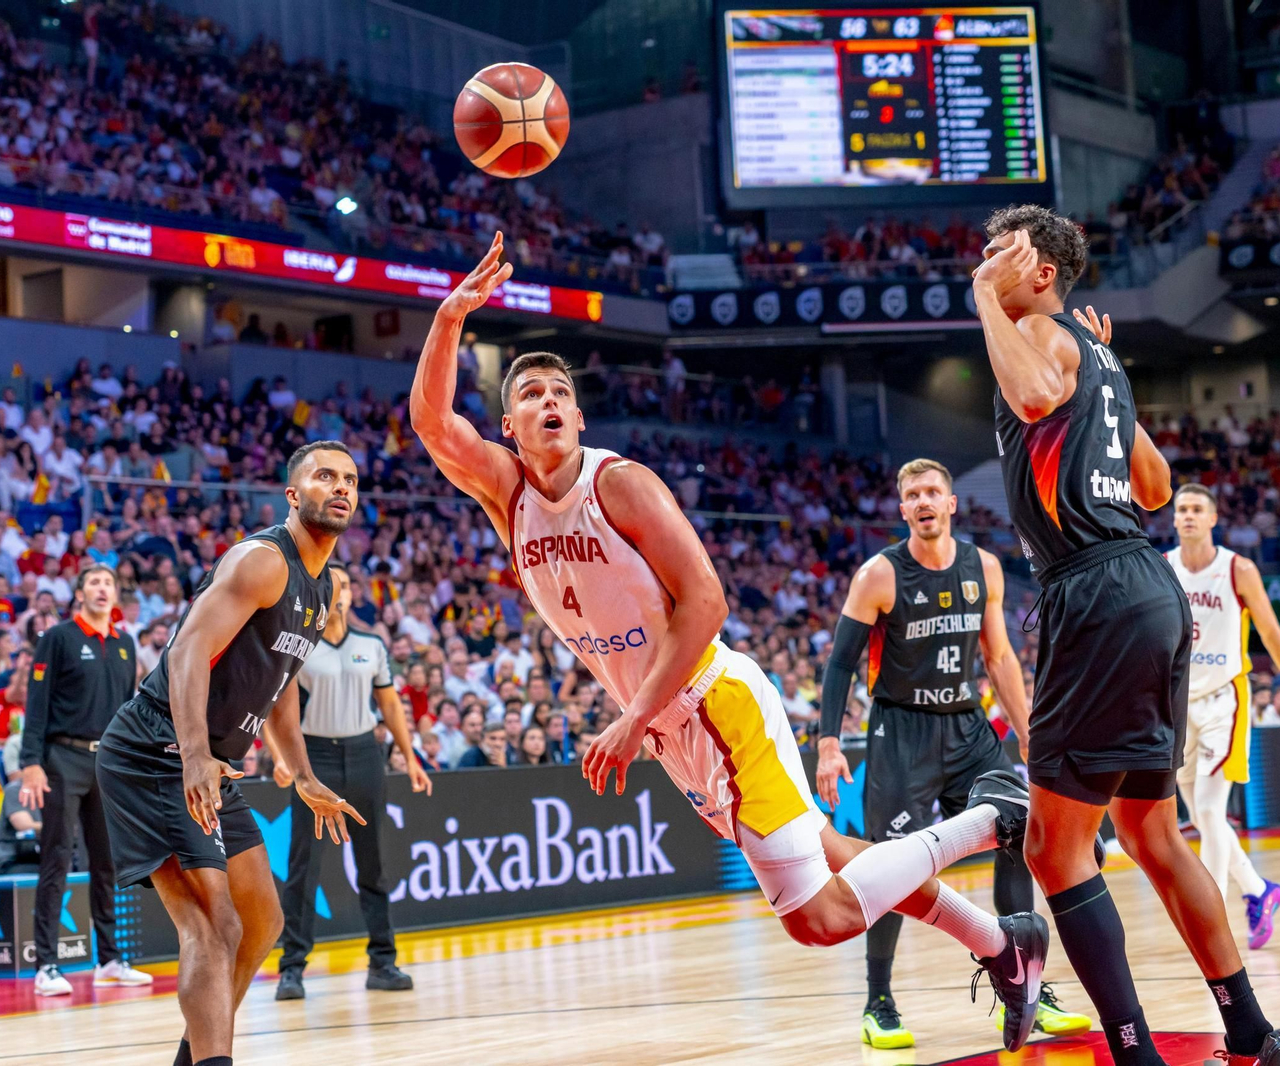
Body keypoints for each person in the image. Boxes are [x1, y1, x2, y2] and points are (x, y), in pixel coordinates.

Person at [409, 233, 1049, 1051]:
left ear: (578, 412)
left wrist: (635, 715)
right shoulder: (507, 494)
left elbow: (706, 601)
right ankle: (1005, 947)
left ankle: (993, 819)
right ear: (509, 425)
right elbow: (431, 421)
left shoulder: (619, 484)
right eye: (531, 394)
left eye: (560, 392)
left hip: (716, 703)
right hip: (679, 728)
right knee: (833, 853)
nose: (549, 403)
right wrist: (450, 317)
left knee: (818, 921)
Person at [974, 205, 1280, 1066]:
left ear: (1039, 272)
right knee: (1154, 833)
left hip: (1094, 591)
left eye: (998, 254)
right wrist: (1110, 382)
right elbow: (1155, 488)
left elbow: (1038, 394)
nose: (984, 262)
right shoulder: (1093, 355)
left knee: (1054, 847)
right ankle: (1252, 1034)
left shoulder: (1038, 337)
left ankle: (1135, 1054)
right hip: (1148, 586)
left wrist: (983, 298)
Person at [96, 441, 364, 1066]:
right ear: (294, 495)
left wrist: (301, 774)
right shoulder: (262, 561)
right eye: (325, 477)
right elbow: (189, 650)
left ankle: (195, 1059)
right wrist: (192, 754)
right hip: (155, 752)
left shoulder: (320, 589)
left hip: (206, 761)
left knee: (261, 922)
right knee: (214, 928)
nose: (342, 487)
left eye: (350, 479)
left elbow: (280, 684)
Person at [816, 458, 1091, 1050]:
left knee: (1019, 834)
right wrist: (830, 744)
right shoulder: (878, 575)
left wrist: (1026, 730)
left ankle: (1022, 986)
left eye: (932, 492)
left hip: (967, 728)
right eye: (911, 494)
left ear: (951, 503)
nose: (923, 501)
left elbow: (999, 658)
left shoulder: (982, 567)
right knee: (889, 868)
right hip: (902, 733)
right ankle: (878, 1002)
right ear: (902, 509)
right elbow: (839, 662)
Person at [1167, 485, 1280, 950]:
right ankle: (1259, 890)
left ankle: (1207, 918)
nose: (1189, 516)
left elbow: (1273, 634)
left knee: (1213, 810)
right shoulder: (1163, 567)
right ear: (1174, 520)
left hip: (1224, 701)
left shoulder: (1238, 569)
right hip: (1178, 704)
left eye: (1197, 509)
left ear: (1213, 518)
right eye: (1182, 510)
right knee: (1200, 815)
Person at [272, 564, 432, 1001]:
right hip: (315, 756)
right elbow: (275, 707)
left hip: (365, 755)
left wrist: (411, 756)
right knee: (304, 869)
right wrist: (283, 758)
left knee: (374, 864)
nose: (336, 594)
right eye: (329, 587)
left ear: (350, 595)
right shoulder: (300, 647)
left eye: (341, 587)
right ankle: (292, 969)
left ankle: (383, 961)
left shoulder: (372, 645)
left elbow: (391, 705)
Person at [18, 565, 149, 996]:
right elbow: (36, 706)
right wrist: (30, 762)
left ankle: (110, 959)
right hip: (61, 758)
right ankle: (46, 965)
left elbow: (129, 712)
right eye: (93, 582)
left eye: (108, 583)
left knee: (107, 861)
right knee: (57, 857)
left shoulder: (125, 644)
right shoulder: (57, 639)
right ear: (79, 594)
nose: (101, 588)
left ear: (115, 595)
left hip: (107, 763)